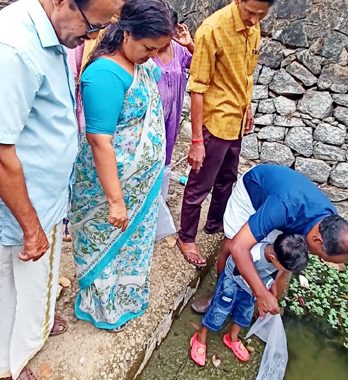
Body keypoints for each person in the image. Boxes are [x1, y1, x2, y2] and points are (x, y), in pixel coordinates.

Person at [0, 0, 121, 378]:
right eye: (91, 26)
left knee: (29, 286)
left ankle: (27, 342)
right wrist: (30, 227)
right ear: (63, 1)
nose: (92, 37)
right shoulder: (10, 48)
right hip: (15, 209)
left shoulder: (52, 33)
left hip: (41, 198)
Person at [69, 0, 174, 332]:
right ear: (126, 32)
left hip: (139, 187)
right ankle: (102, 308)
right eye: (148, 47)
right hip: (108, 188)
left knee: (133, 246)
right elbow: (100, 141)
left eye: (159, 49)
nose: (153, 55)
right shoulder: (104, 74)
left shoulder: (139, 64)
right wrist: (115, 200)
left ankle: (127, 298)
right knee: (105, 246)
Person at [177, 0, 274, 268]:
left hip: (236, 118)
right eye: (250, 12)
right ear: (238, 1)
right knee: (199, 184)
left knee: (227, 178)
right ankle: (185, 237)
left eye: (261, 14)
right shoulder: (212, 29)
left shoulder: (253, 26)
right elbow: (197, 88)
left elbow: (246, 74)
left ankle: (215, 223)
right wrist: (197, 140)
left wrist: (248, 106)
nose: (254, 19)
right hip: (214, 122)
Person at [192, 164, 348, 316]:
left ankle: (247, 295)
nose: (317, 258)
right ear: (317, 240)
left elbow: (288, 257)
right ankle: (218, 295)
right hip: (253, 193)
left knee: (279, 254)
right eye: (322, 257)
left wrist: (275, 284)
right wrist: (261, 293)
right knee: (230, 248)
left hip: (282, 207)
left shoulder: (328, 220)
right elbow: (238, 247)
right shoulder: (285, 207)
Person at [190, 234, 309, 366]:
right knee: (220, 309)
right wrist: (260, 294)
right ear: (273, 258)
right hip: (232, 282)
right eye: (285, 269)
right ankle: (200, 337)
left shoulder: (276, 259)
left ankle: (232, 337)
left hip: (253, 289)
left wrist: (271, 292)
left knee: (245, 312)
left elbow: (273, 275)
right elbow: (239, 273)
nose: (285, 272)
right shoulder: (253, 254)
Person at [153, 9, 194, 240]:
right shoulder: (146, 53)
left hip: (171, 119)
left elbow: (202, 66)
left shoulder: (178, 50)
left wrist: (190, 45)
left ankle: (159, 207)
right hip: (151, 120)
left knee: (166, 160)